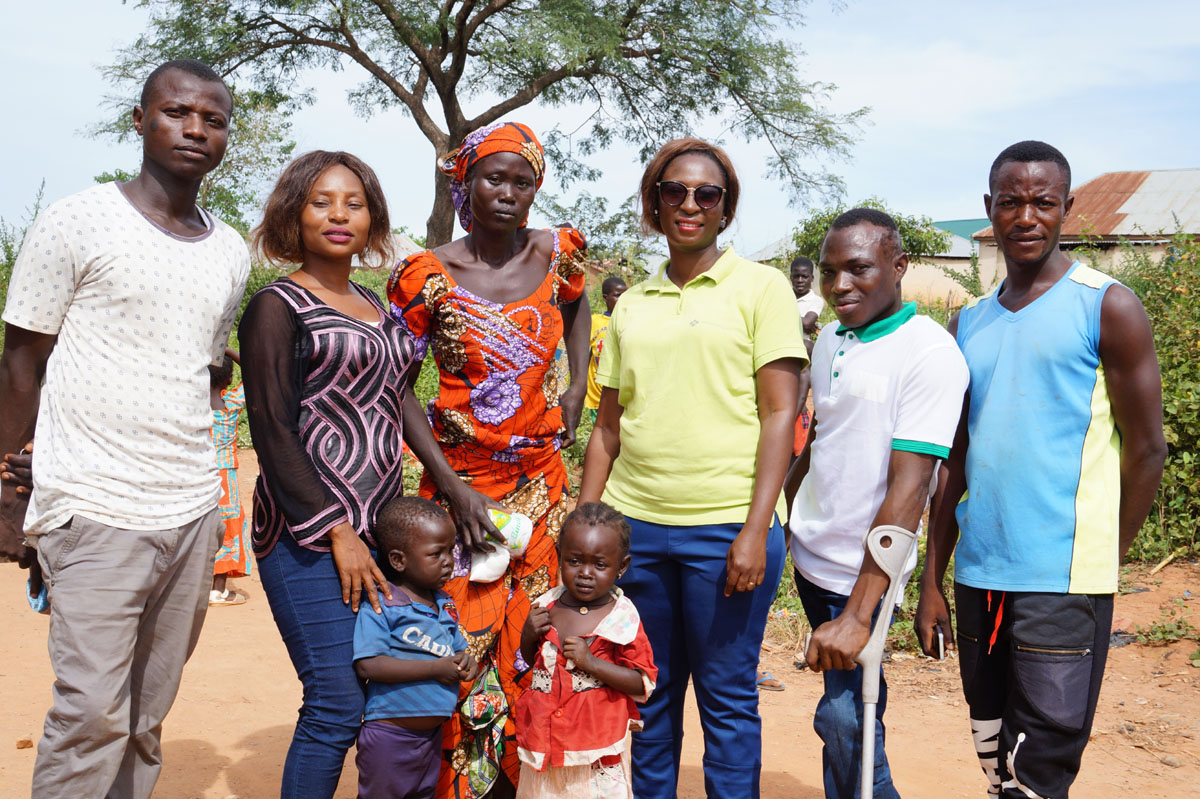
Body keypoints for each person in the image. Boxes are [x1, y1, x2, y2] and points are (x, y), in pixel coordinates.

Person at [0, 59, 249, 798]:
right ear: (139, 121)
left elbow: (206, 367)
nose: (195, 129)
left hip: (192, 509)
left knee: (144, 716)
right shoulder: (77, 219)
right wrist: (8, 481)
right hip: (94, 506)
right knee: (91, 715)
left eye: (213, 120)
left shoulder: (230, 249)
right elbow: (21, 363)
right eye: (177, 112)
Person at [240, 150, 496, 799]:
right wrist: (336, 531)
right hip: (304, 532)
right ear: (294, 214)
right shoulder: (277, 306)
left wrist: (449, 481)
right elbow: (272, 430)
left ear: (372, 219)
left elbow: (399, 396)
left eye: (353, 203)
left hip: (379, 533)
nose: (338, 215)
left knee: (376, 695)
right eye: (321, 201)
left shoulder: (375, 304)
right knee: (334, 700)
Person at [916, 141, 1166, 798]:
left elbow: (1147, 449)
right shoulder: (967, 323)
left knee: (1039, 771)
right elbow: (955, 461)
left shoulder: (1107, 305)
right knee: (993, 754)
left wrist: (1103, 556)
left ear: (1067, 208)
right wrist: (931, 578)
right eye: (1011, 202)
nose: (1026, 217)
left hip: (1064, 583)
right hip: (980, 575)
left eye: (1043, 202)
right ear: (989, 208)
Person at [579, 137, 806, 798]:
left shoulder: (762, 288)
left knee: (727, 695)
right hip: (637, 531)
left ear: (725, 208)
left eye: (707, 194)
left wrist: (755, 528)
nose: (690, 204)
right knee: (647, 692)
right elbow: (608, 428)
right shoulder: (633, 303)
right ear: (654, 203)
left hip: (727, 527)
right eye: (674, 191)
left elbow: (780, 414)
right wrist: (587, 521)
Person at [387, 121, 591, 799]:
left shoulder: (558, 254)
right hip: (458, 492)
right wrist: (450, 486)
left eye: (522, 181)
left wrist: (575, 384)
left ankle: (521, 783)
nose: (508, 193)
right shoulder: (425, 276)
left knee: (537, 642)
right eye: (493, 178)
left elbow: (578, 307)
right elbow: (396, 385)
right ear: (465, 184)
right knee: (460, 644)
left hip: (542, 485)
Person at [783, 208, 969, 799]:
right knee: (847, 723)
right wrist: (782, 522)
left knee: (847, 719)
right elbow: (820, 440)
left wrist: (859, 614)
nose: (839, 286)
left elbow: (911, 488)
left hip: (866, 572)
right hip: (811, 559)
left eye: (858, 269)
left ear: (899, 265)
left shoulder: (929, 352)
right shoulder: (830, 338)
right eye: (829, 271)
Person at [515, 502, 657, 799]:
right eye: (575, 561)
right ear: (559, 556)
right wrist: (528, 636)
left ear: (622, 567)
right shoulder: (545, 606)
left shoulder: (622, 619)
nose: (585, 573)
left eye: (600, 565)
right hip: (545, 746)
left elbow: (642, 683)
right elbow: (536, 664)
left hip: (596, 752)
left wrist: (590, 662)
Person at [354, 497, 479, 799]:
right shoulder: (384, 604)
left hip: (430, 738)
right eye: (436, 553)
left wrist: (467, 663)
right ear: (399, 560)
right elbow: (369, 664)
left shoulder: (444, 604)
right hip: (390, 737)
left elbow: (459, 651)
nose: (448, 561)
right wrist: (434, 669)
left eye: (450, 551)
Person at [209, 348, 251, 606]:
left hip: (198, 473)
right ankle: (218, 590)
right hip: (225, 476)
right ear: (229, 378)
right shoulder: (232, 403)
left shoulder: (193, 405)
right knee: (228, 527)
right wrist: (225, 348)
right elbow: (255, 370)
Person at [584, 277, 628, 425]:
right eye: (617, 295)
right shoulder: (595, 322)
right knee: (601, 430)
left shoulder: (630, 322)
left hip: (622, 394)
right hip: (597, 395)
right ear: (605, 298)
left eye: (625, 295)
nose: (622, 300)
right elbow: (587, 354)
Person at [790, 255, 822, 458]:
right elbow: (803, 322)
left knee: (807, 348)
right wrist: (800, 321)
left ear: (811, 278)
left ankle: (797, 410)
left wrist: (779, 314)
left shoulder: (815, 301)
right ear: (791, 278)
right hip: (781, 343)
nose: (800, 280)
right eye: (796, 276)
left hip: (799, 346)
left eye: (804, 276)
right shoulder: (784, 295)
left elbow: (808, 322)